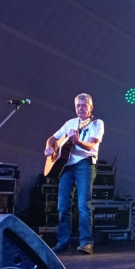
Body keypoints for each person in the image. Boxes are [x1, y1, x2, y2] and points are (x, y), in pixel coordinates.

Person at [44, 93, 105, 255]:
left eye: (84, 106)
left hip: (85, 164)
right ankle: (62, 242)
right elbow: (52, 138)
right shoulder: (70, 123)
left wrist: (76, 141)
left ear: (91, 107)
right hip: (67, 166)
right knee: (63, 206)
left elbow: (91, 146)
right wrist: (49, 147)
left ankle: (86, 242)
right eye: (78, 106)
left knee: (83, 204)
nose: (81, 109)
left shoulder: (96, 123)